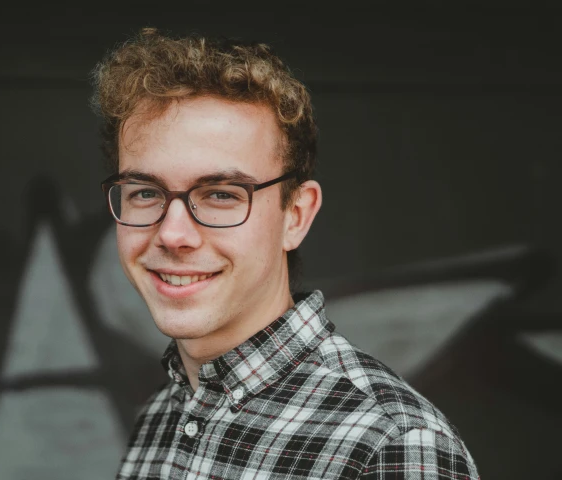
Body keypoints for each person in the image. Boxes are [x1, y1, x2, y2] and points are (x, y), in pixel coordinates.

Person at [92, 27, 480, 480]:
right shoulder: (160, 417)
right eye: (144, 192)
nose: (173, 234)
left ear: (295, 215)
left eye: (221, 194)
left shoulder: (390, 446)